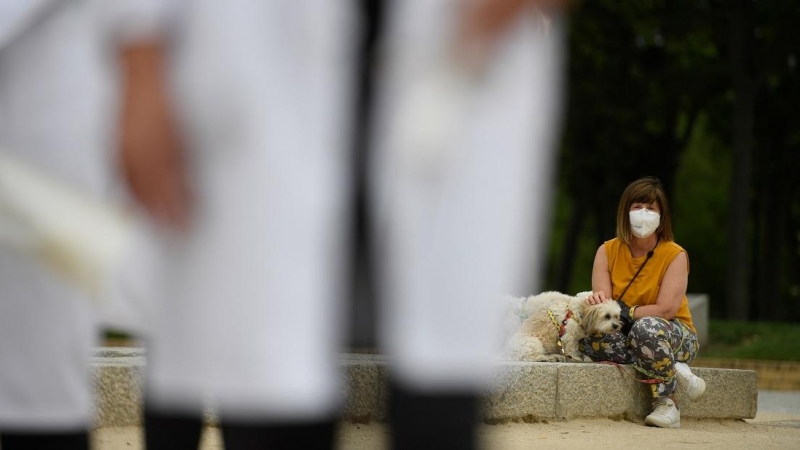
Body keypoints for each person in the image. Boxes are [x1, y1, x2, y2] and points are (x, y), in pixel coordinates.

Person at [118, 1, 566, 449]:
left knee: (439, 394)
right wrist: (141, 59)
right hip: (259, 65)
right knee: (268, 379)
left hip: (457, 60)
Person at [583, 176, 706, 429]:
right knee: (591, 339)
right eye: (637, 207)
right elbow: (605, 307)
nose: (643, 214)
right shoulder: (606, 251)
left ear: (662, 217)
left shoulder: (675, 255)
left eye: (651, 209)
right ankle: (673, 366)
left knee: (647, 328)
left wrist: (630, 312)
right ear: (625, 211)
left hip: (673, 332)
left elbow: (666, 310)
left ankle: (667, 404)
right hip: (626, 331)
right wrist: (597, 300)